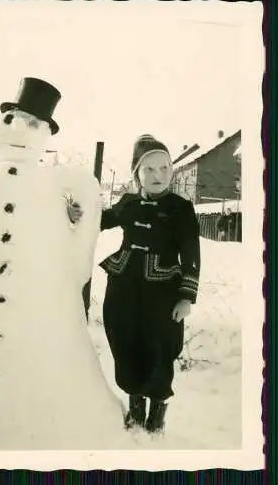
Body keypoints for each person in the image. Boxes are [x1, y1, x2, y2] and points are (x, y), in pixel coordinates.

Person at [0, 77, 134, 450]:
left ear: (47, 134)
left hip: (39, 296)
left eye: (34, 124)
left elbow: (88, 211)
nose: (20, 128)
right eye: (14, 118)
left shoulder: (58, 182)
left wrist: (75, 267)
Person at [98, 134, 201, 435]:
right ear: (136, 173)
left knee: (159, 347)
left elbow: (191, 255)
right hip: (124, 288)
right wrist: (81, 211)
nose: (158, 176)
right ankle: (135, 406)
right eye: (150, 169)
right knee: (125, 341)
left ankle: (156, 412)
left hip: (163, 293)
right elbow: (103, 219)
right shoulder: (129, 203)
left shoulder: (181, 208)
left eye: (165, 168)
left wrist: (186, 297)